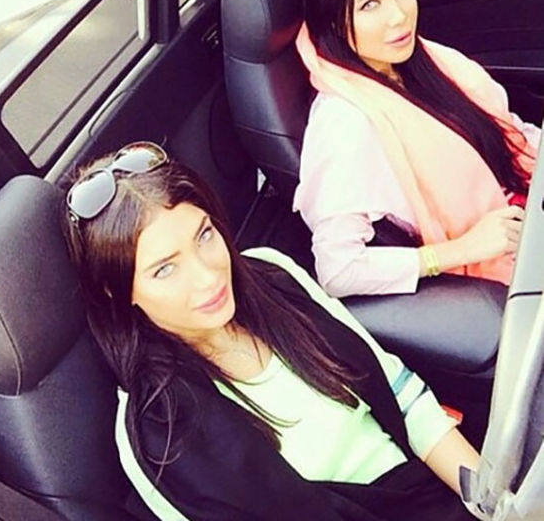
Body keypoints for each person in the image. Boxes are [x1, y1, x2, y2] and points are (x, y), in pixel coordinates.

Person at [62, 141, 482, 520]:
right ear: (118, 291)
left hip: (431, 495)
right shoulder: (155, 433)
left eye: (204, 235)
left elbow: (406, 401)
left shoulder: (270, 273)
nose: (208, 276)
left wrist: (492, 503)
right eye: (165, 269)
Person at [294, 0, 540, 297]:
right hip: (504, 270)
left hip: (526, 210)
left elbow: (507, 133)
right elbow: (338, 269)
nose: (398, 15)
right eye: (369, 4)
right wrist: (460, 250)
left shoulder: (417, 61)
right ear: (333, 22)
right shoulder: (345, 123)